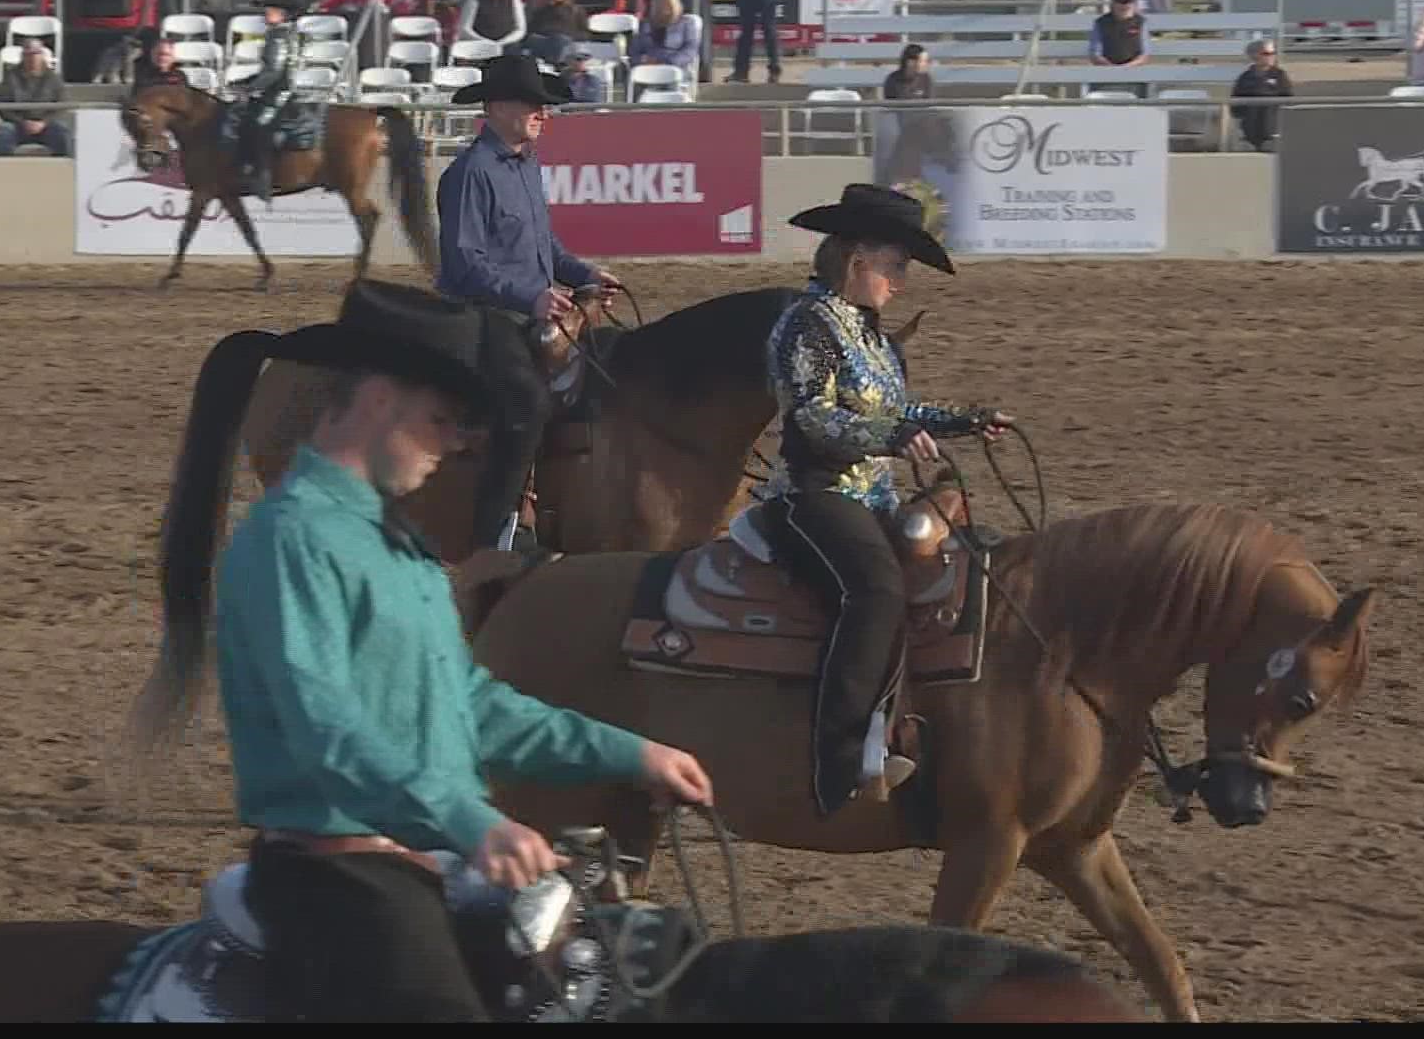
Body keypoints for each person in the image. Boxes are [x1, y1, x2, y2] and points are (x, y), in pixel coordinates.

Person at [147, 279, 715, 1022]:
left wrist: (628, 754)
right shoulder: (293, 540)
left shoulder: (399, 549)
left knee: (652, 965)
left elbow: (471, 708)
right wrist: (473, 822)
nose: (455, 444)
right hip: (335, 880)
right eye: (441, 419)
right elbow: (328, 732)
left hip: (421, 863)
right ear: (381, 400)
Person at [764, 184, 1013, 817]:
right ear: (858, 261)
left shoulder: (868, 334)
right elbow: (812, 419)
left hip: (868, 497)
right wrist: (894, 435)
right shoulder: (807, 324)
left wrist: (962, 421)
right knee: (873, 592)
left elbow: (899, 414)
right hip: (811, 494)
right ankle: (839, 760)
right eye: (896, 266)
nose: (902, 281)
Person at [434, 54, 619, 555]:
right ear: (495, 108)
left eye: (546, 105)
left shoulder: (527, 165)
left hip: (532, 311)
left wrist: (584, 274)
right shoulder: (469, 173)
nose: (545, 114)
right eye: (534, 104)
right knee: (526, 403)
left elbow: (545, 247)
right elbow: (464, 262)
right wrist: (531, 296)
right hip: (485, 317)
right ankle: (500, 531)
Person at [234, 0, 309, 202]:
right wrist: (248, 81)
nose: (266, 13)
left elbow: (273, 72)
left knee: (256, 125)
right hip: (281, 89)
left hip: (278, 94)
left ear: (283, 14)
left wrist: (248, 89)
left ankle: (262, 178)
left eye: (271, 10)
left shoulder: (277, 36)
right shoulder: (286, 33)